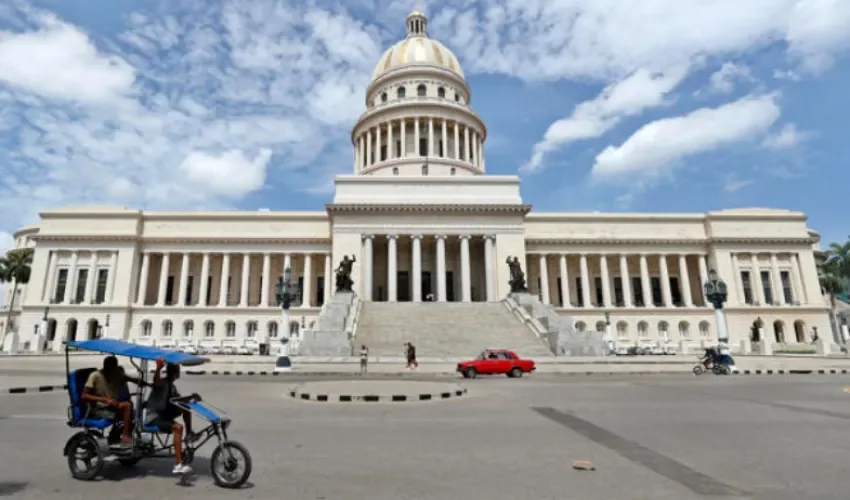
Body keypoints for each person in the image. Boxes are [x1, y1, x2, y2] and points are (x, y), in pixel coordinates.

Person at [147, 358, 194, 475]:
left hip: (164, 414)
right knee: (178, 428)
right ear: (174, 372)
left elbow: (179, 400)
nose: (179, 372)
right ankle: (178, 464)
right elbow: (156, 382)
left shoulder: (172, 386)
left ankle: (189, 434)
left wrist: (191, 398)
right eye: (178, 370)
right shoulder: (163, 382)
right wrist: (158, 368)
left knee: (186, 407)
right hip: (154, 417)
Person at [81, 356, 139, 446]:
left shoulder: (117, 374)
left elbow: (132, 379)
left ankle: (115, 435)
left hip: (110, 409)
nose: (114, 371)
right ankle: (125, 436)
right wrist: (105, 399)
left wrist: (147, 384)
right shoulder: (95, 376)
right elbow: (84, 395)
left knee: (130, 406)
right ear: (106, 366)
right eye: (112, 368)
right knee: (127, 406)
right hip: (98, 410)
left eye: (115, 367)